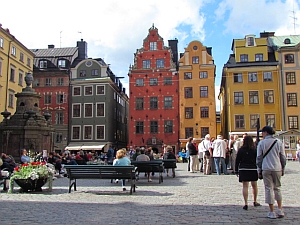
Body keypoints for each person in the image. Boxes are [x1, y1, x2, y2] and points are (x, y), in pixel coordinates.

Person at [256, 126, 286, 219]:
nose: (261, 134)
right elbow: (283, 157)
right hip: (277, 168)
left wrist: (259, 169)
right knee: (277, 188)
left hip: (266, 168)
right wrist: (283, 168)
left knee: (268, 188)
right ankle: (280, 209)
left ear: (266, 132)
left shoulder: (262, 143)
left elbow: (259, 158)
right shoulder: (279, 142)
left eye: (262, 132)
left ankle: (272, 211)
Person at [235, 135, 261, 210]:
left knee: (245, 186)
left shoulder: (241, 150)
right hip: (253, 169)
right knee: (254, 186)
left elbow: (237, 161)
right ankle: (255, 201)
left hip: (243, 168)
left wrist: (236, 170)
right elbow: (258, 160)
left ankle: (246, 203)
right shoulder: (254, 150)